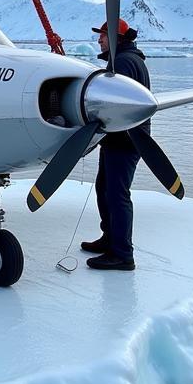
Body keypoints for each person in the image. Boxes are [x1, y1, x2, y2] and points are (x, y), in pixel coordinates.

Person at [81, 18, 150, 272]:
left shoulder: (122, 62)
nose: (99, 39)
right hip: (122, 138)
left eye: (103, 35)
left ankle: (122, 254)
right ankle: (109, 239)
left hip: (124, 140)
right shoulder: (133, 60)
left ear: (117, 38)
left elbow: (113, 102)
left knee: (117, 195)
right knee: (105, 189)